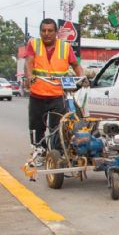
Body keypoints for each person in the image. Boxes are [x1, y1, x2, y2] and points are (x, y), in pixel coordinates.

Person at [24, 18, 83, 162]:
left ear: (56, 32)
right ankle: (40, 151)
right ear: (40, 32)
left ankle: (57, 154)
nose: (46, 33)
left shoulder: (65, 47)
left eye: (50, 30)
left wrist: (82, 76)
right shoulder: (33, 44)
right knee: (36, 126)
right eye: (43, 30)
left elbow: (76, 65)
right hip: (38, 94)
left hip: (57, 95)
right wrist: (30, 76)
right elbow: (29, 62)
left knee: (58, 127)